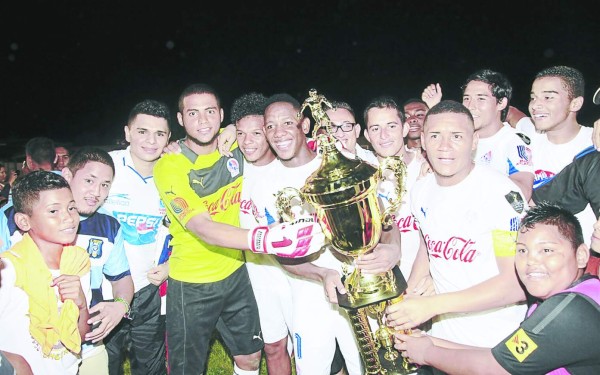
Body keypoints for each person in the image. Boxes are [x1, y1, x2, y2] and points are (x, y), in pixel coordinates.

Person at [152, 83, 324, 375]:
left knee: (250, 356)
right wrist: (267, 238)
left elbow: (255, 128)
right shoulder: (169, 166)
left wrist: (233, 128)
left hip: (237, 276)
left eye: (209, 112)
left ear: (220, 115)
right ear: (180, 120)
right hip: (192, 283)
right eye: (192, 113)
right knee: (186, 369)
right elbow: (202, 227)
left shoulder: (234, 145)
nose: (203, 120)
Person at [386, 101, 528, 350]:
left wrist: (432, 306)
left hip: (493, 342)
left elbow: (515, 284)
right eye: (435, 136)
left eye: (456, 136)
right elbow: (427, 248)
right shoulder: (421, 189)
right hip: (442, 337)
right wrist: (406, 302)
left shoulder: (500, 193)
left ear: (474, 141)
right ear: (423, 141)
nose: (444, 147)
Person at [395, 203, 600, 374]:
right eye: (522, 250)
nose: (531, 261)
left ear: (581, 255)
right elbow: (501, 355)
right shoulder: (571, 296)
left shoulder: (568, 312)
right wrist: (429, 342)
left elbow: (494, 368)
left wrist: (427, 354)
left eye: (546, 250)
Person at [0, 146, 135, 375]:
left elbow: (121, 278)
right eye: (90, 181)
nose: (96, 192)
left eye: (105, 185)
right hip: (28, 348)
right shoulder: (14, 217)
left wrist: (120, 306)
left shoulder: (105, 230)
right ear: (68, 175)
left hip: (83, 345)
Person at [260, 92, 365, 375]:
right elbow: (280, 251)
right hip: (306, 295)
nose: (278, 132)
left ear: (304, 125)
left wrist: (391, 249)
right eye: (270, 126)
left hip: (354, 289)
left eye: (287, 122)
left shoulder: (338, 162)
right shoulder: (266, 182)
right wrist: (320, 274)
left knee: (364, 367)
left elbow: (379, 217)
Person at [102, 99, 171, 375]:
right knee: (107, 365)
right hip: (104, 290)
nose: (151, 141)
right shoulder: (105, 166)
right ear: (128, 133)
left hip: (147, 288)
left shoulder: (174, 172)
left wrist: (170, 266)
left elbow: (189, 227)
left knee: (151, 367)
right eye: (142, 131)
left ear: (169, 138)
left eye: (160, 133)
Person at [0, 171, 91, 374]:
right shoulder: (8, 269)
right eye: (53, 211)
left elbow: (82, 336)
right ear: (24, 221)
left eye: (71, 207)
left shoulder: (77, 262)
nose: (68, 218)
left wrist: (81, 303)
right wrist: (15, 363)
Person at [232, 92, 295, 374]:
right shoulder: (234, 168)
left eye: (257, 132)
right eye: (240, 134)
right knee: (273, 346)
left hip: (295, 275)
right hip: (257, 274)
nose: (247, 142)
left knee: (316, 350)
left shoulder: (288, 171)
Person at [422, 69, 535, 201]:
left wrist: (470, 171)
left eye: (481, 99)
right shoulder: (459, 138)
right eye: (466, 98)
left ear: (501, 103)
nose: (470, 106)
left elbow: (522, 194)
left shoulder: (513, 141)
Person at [361, 96, 426, 281]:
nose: (384, 135)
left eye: (391, 126)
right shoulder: (361, 178)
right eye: (375, 128)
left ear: (405, 128)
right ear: (367, 135)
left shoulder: (430, 167)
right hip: (381, 283)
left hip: (425, 284)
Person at [324, 100, 378, 165]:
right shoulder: (312, 168)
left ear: (357, 130)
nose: (340, 134)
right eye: (331, 127)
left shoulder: (376, 163)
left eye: (346, 126)